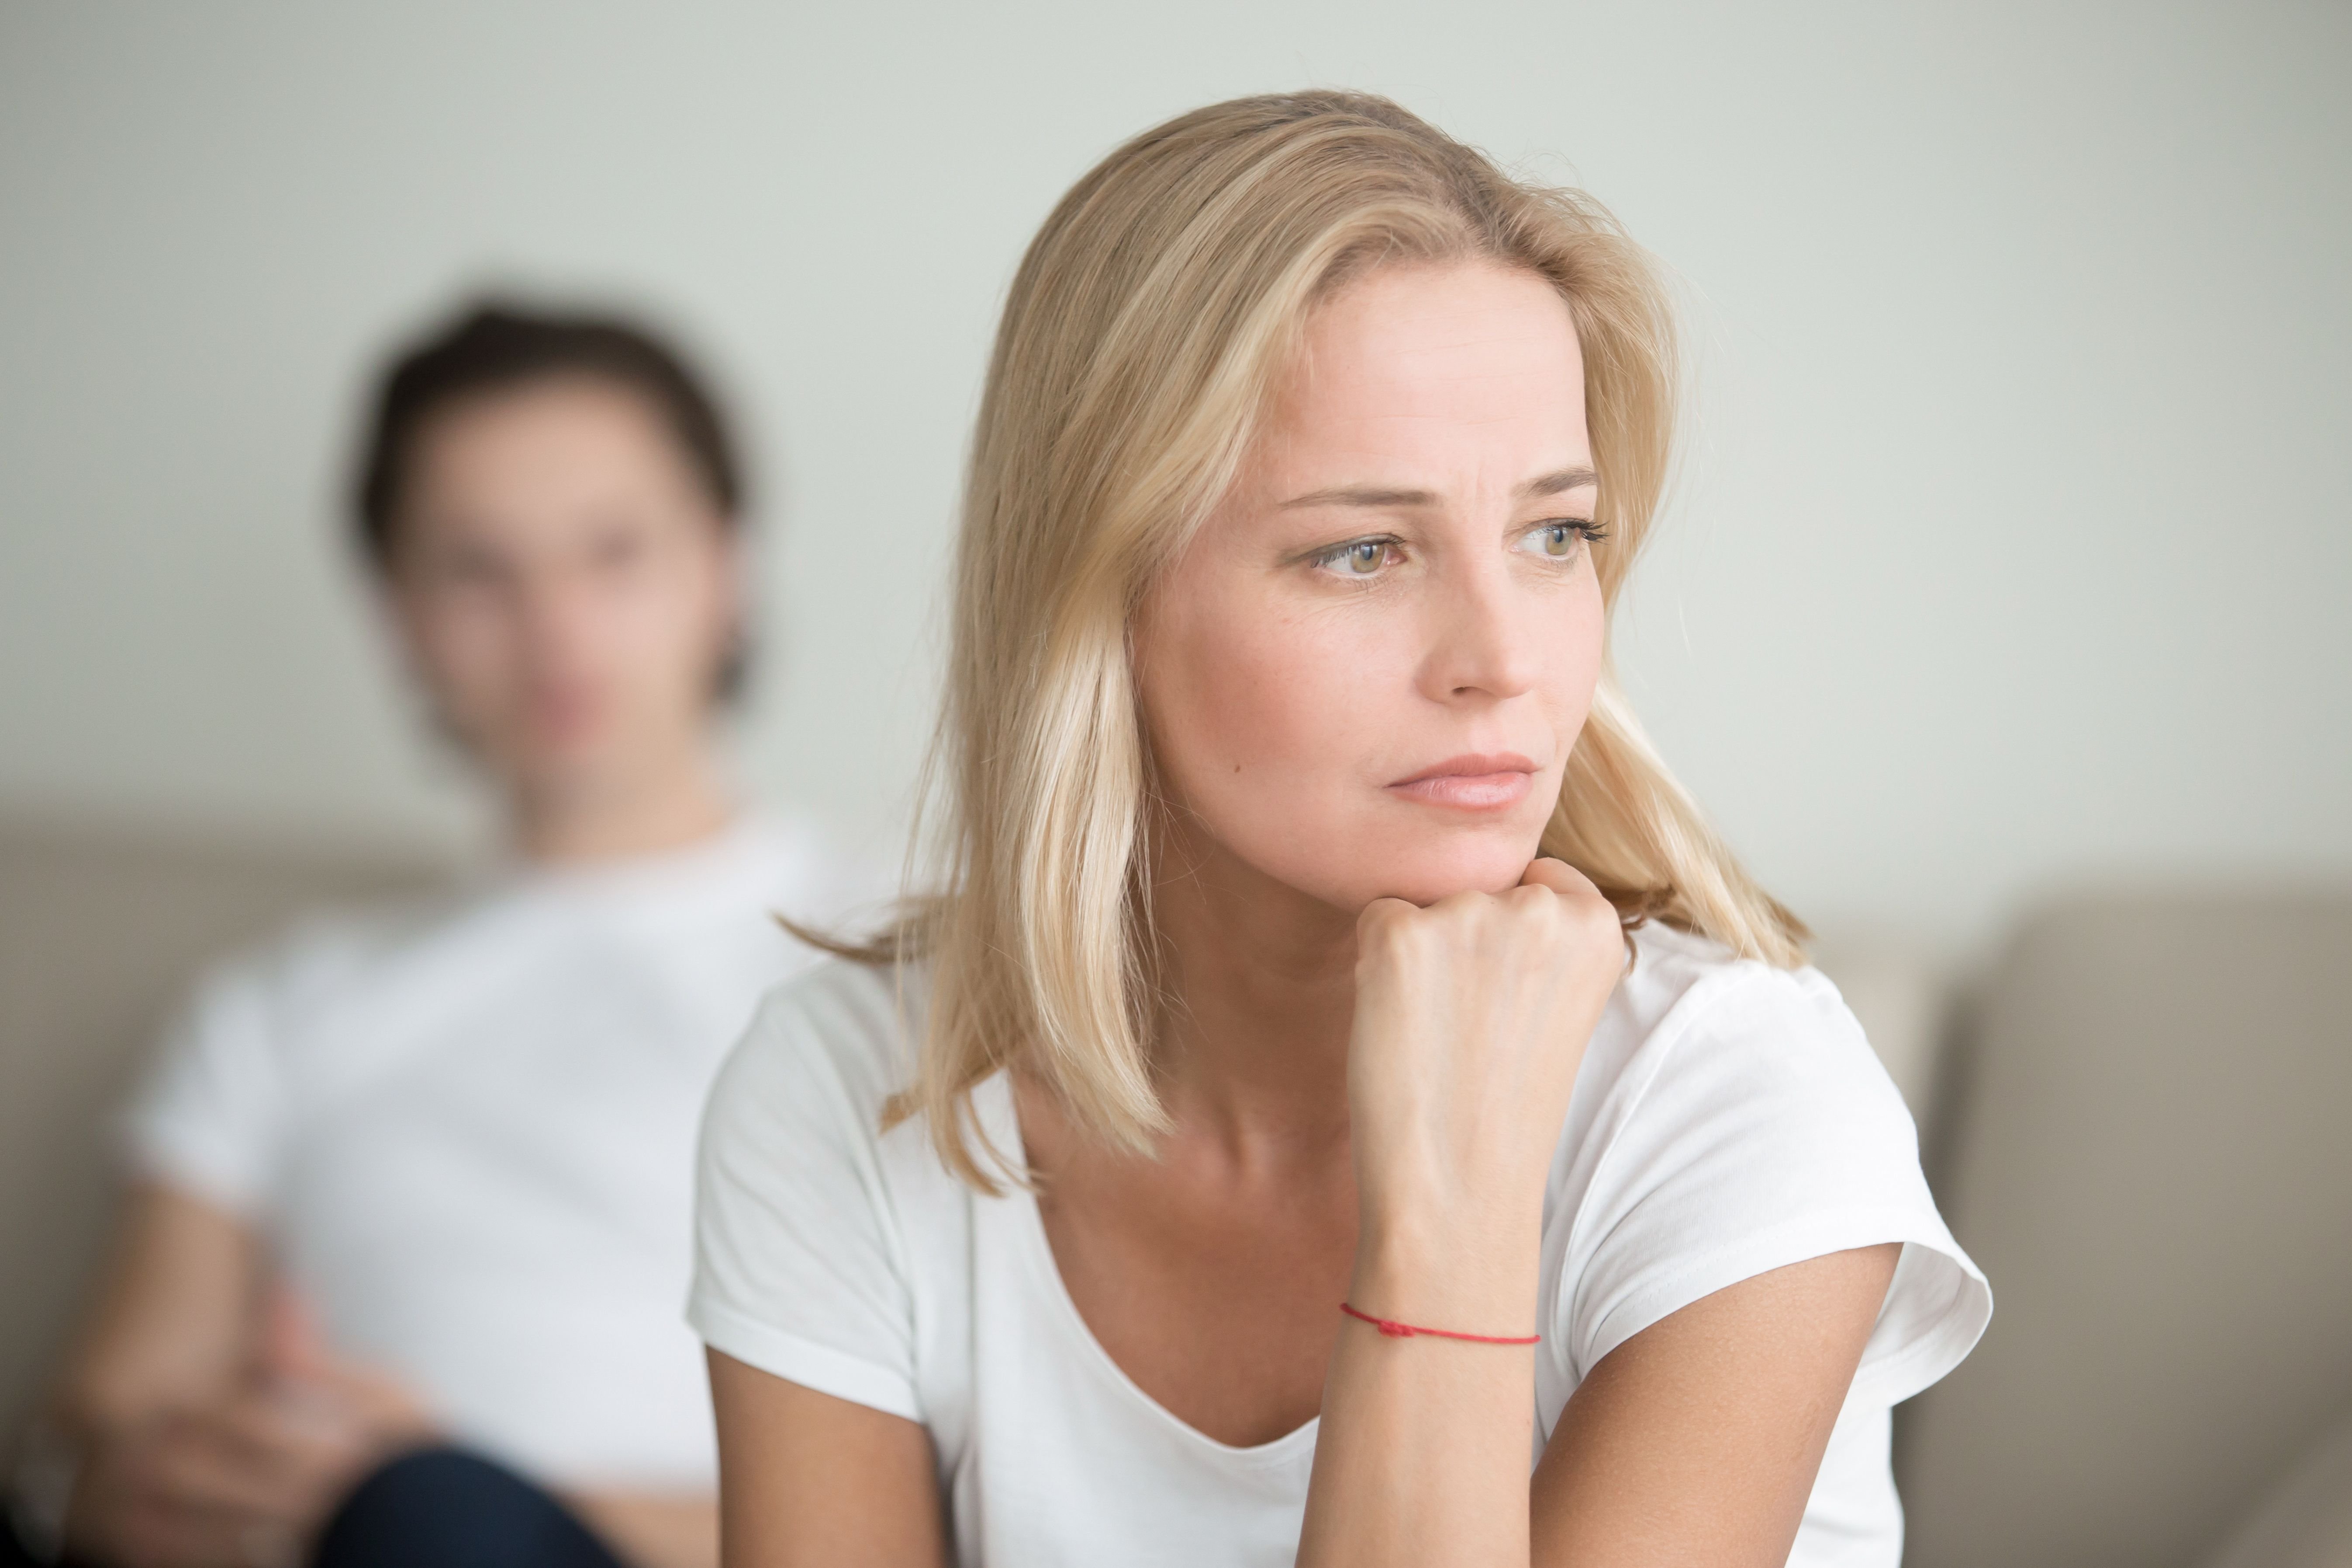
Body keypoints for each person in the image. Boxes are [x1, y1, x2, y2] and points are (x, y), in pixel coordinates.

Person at [689, 90, 1992, 1568]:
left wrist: (1453, 1189)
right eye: (1364, 551)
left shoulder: (1734, 1099)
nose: (1500, 658)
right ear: (1100, 600)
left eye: (1553, 534)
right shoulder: (855, 1087)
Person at [12, 305, 868, 1568]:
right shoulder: (287, 1000)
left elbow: (983, 1491)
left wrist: (461, 1495)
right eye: (478, 570)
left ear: (724, 568)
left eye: (613, 553)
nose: (556, 633)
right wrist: (164, 1482)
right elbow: (93, 1434)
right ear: (398, 617)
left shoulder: (913, 951)